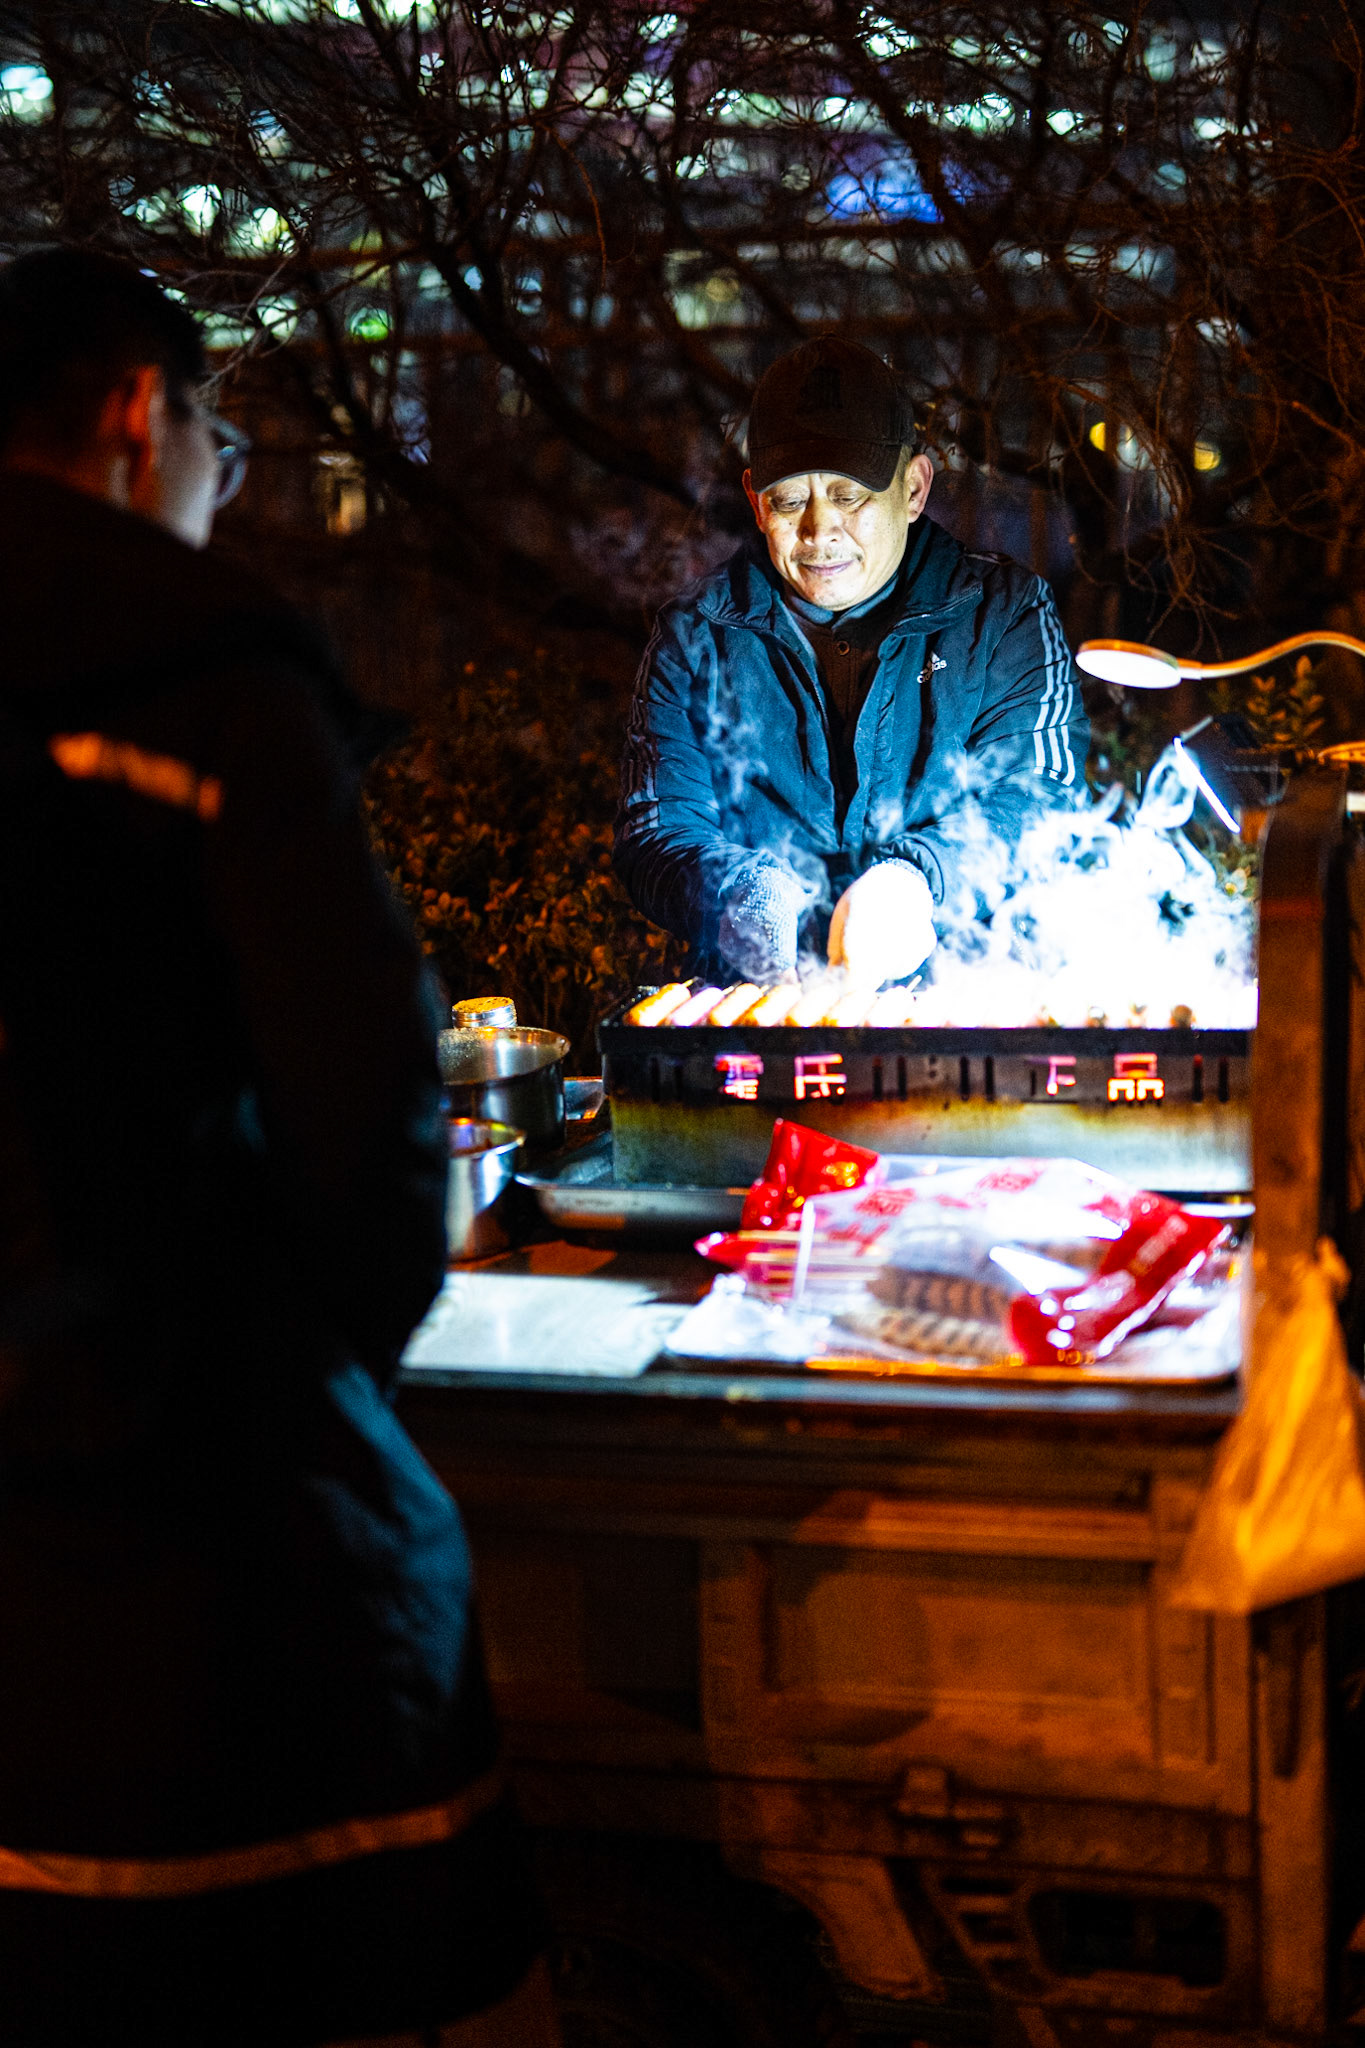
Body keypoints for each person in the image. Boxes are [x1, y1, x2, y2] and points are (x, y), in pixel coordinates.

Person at [0, 249, 557, 2047]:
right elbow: (371, 1102)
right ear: (135, 415)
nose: (219, 485)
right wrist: (310, 1376)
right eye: (218, 441)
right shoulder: (198, 674)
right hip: (214, 1565)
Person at [616, 336, 1088, 988]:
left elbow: (1043, 795)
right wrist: (738, 894)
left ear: (913, 488)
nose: (819, 530)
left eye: (848, 495)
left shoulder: (1002, 614)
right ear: (756, 501)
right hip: (758, 1005)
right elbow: (657, 829)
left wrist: (917, 881)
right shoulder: (696, 637)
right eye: (790, 499)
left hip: (963, 991)